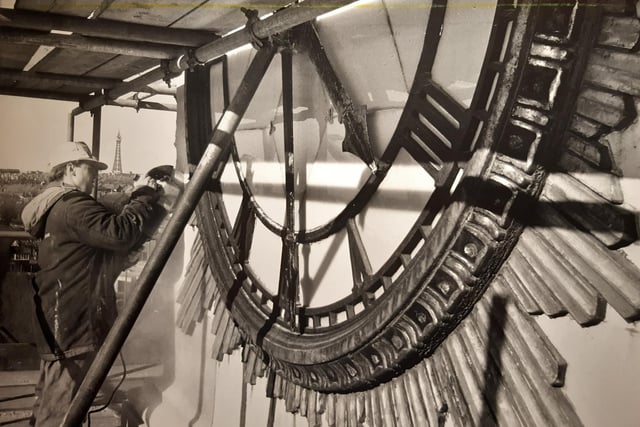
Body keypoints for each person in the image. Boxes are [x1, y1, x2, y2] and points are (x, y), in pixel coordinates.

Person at [20, 141, 165, 426]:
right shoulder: (73, 206)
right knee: (61, 411)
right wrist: (144, 195)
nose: (96, 175)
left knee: (52, 400)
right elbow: (120, 234)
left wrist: (145, 208)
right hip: (75, 326)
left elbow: (102, 239)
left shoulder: (56, 205)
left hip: (61, 322)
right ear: (71, 170)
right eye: (91, 168)